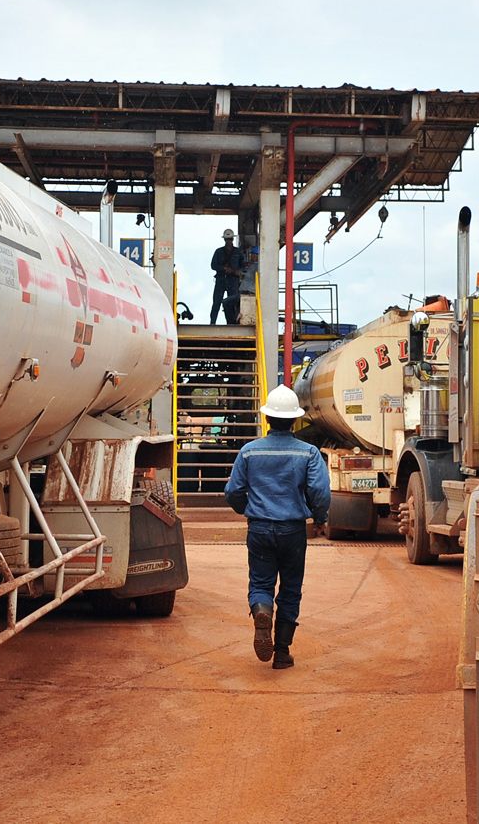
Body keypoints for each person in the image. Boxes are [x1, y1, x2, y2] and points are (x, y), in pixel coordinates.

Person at [222, 386, 329, 669]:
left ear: (267, 419)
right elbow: (320, 491)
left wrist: (246, 509)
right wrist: (320, 517)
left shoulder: (248, 452)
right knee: (291, 589)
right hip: (293, 530)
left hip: (259, 528)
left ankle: (261, 610)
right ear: (294, 420)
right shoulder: (308, 453)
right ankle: (282, 653)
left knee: (260, 582)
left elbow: (233, 491)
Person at [209, 229, 242, 325]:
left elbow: (243, 266)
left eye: (230, 239)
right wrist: (223, 269)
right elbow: (213, 265)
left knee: (233, 302)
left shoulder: (238, 252)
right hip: (221, 280)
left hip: (233, 280)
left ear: (232, 239)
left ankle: (232, 323)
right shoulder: (218, 251)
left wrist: (236, 272)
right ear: (224, 240)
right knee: (216, 302)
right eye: (227, 239)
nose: (228, 241)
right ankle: (212, 323)